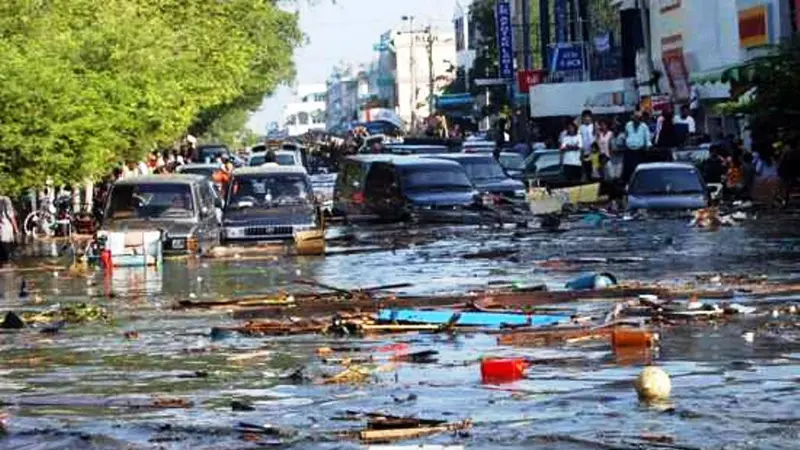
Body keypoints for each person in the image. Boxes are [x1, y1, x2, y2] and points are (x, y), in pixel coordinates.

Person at [0, 196, 18, 265]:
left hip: (2, 228)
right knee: (7, 251)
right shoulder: (6, 200)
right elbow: (12, 217)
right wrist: (16, 229)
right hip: (6, 228)